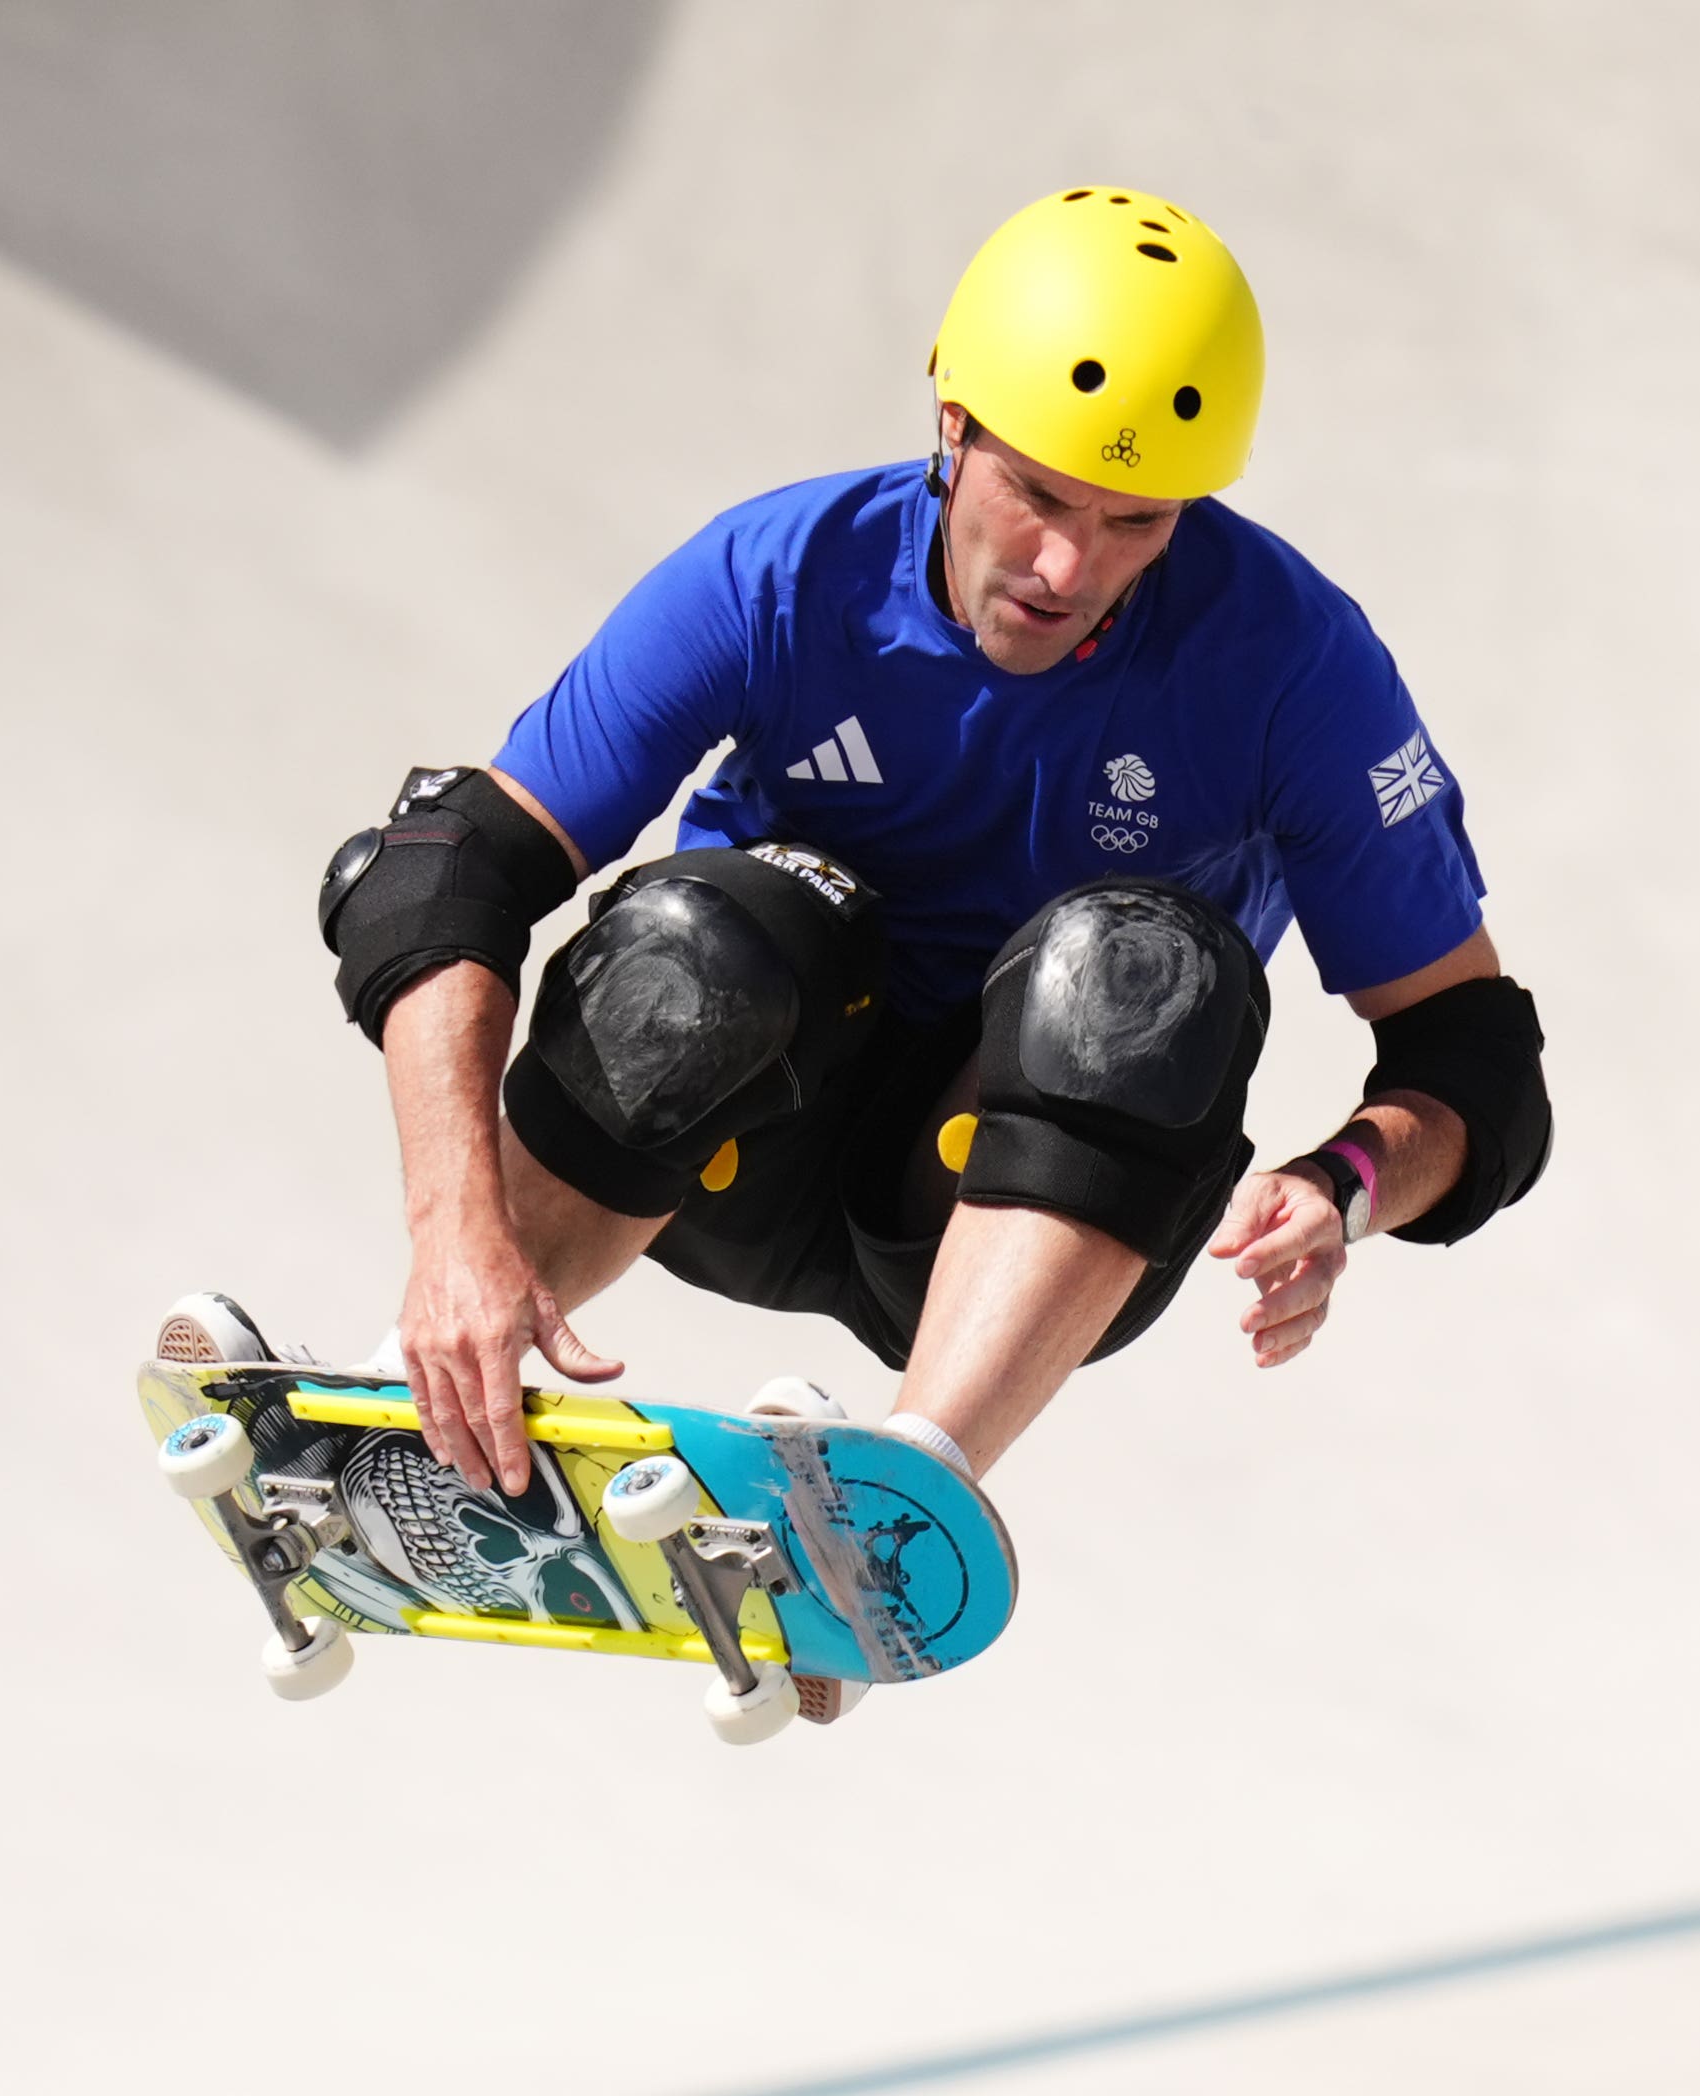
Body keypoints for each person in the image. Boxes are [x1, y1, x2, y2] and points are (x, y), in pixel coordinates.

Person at [167, 185, 1551, 1720]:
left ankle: (893, 1509)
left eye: (1134, 522)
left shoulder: (1290, 657)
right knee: (710, 929)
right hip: (739, 1142)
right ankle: (418, 1420)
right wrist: (453, 1238)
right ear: (952, 425)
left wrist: (1352, 1187)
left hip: (1020, 1207)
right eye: (1037, 495)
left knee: (1140, 963)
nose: (1068, 569)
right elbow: (444, 874)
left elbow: (1471, 1054)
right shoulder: (782, 573)